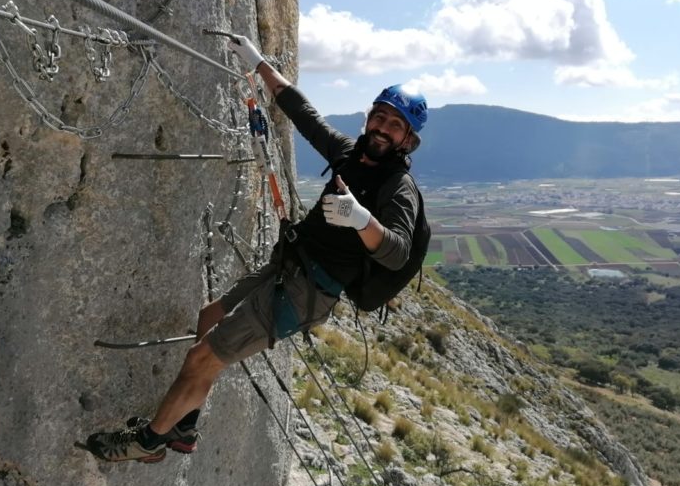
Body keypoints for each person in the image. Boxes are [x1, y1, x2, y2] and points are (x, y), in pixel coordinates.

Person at [86, 34, 428, 463]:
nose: (382, 127)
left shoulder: (398, 188)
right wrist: (259, 63)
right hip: (288, 266)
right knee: (210, 316)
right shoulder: (350, 154)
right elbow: (306, 116)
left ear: (408, 141)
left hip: (308, 291)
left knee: (203, 357)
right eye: (379, 117)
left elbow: (396, 251)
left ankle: (149, 443)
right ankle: (184, 426)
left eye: (395, 124)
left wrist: (361, 219)